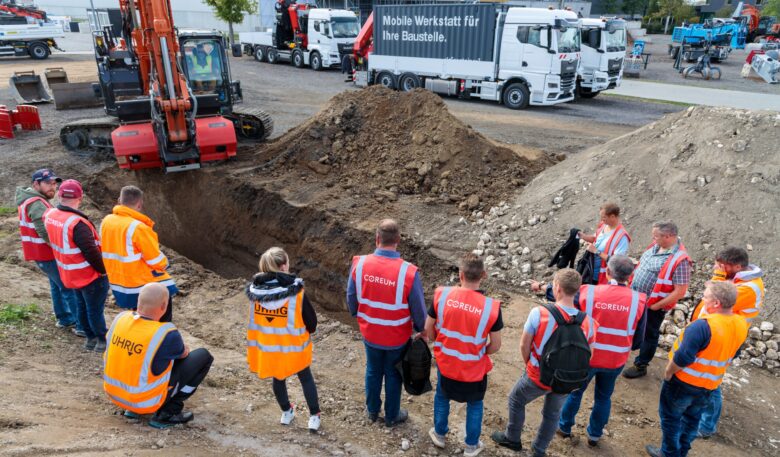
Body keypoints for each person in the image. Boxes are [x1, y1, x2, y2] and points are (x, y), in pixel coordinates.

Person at [491, 269, 597, 457]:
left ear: (557, 288)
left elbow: (524, 344)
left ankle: (512, 438)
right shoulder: (589, 322)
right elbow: (589, 354)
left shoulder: (539, 313)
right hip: (566, 379)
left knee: (516, 399)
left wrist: (529, 365)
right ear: (577, 290)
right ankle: (539, 450)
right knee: (553, 414)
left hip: (538, 375)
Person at [645, 281, 748, 457]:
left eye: (706, 296)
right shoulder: (740, 324)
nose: (702, 298)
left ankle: (669, 453)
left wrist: (668, 373)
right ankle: (682, 451)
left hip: (683, 382)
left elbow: (683, 358)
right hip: (709, 384)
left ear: (716, 303)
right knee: (691, 421)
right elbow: (734, 353)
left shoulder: (702, 326)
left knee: (671, 419)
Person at [556, 255, 646, 447]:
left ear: (607, 272)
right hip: (615, 360)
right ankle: (595, 435)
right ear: (631, 275)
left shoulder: (588, 292)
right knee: (603, 397)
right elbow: (639, 339)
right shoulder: (639, 300)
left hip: (586, 356)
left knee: (575, 393)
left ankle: (564, 427)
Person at [347, 219, 426, 426]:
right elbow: (418, 307)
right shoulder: (408, 272)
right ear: (398, 240)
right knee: (393, 373)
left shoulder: (360, 264)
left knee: (373, 370)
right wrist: (422, 330)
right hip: (396, 337)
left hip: (370, 333)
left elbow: (351, 296)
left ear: (377, 238)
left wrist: (358, 315)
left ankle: (372, 411)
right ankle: (392, 416)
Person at [103, 282, 213, 428]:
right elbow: (183, 354)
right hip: (144, 401)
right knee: (203, 356)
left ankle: (132, 411)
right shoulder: (166, 334)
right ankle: (168, 412)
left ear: (138, 301)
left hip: (115, 394)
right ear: (163, 307)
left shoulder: (120, 319)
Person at [425, 253, 503, 457]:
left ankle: (440, 435)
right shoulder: (491, 307)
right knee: (475, 404)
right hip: (473, 368)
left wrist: (439, 342)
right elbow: (495, 345)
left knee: (442, 396)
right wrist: (480, 351)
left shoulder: (441, 295)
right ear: (483, 275)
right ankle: (471, 446)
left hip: (446, 363)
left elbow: (429, 329)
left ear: (460, 274)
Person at [689, 246, 764, 439]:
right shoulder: (736, 279)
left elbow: (715, 300)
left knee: (711, 380)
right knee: (704, 377)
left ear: (738, 266)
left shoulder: (749, 288)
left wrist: (717, 275)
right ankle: (698, 415)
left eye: (724, 266)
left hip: (725, 338)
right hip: (716, 333)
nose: (721, 268)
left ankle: (706, 426)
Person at [246, 247, 321, 432]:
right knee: (305, 378)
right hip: (294, 348)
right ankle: (314, 416)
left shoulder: (255, 293)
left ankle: (287, 412)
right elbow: (311, 322)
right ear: (283, 266)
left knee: (278, 379)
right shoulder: (296, 292)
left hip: (270, 348)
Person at [43, 180, 109, 352]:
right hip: (88, 274)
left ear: (59, 194)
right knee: (94, 309)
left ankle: (90, 339)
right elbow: (91, 251)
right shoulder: (77, 223)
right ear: (80, 198)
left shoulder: (50, 215)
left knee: (81, 306)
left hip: (69, 273)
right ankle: (101, 340)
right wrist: (103, 271)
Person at [15, 169, 82, 335]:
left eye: (54, 183)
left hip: (41, 254)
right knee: (68, 287)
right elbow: (43, 231)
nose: (53, 187)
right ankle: (81, 326)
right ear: (36, 184)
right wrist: (62, 249)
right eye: (48, 183)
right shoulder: (36, 202)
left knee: (56, 285)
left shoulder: (33, 199)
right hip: (46, 253)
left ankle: (64, 318)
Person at [624, 221, 691, 379]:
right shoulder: (655, 247)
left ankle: (641, 365)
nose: (653, 239)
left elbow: (680, 291)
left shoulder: (680, 260)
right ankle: (624, 352)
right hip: (636, 299)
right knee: (630, 326)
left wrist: (656, 306)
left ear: (668, 236)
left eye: (656, 236)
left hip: (652, 306)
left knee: (649, 334)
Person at [100, 186, 178, 322]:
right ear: (139, 204)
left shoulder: (107, 221)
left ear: (119, 201)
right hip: (139, 285)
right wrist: (165, 263)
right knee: (166, 292)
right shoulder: (138, 227)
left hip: (120, 283)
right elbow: (155, 261)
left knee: (138, 320)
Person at [577, 202, 631, 285]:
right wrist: (582, 236)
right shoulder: (604, 225)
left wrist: (596, 251)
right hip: (590, 272)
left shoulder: (622, 237)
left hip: (603, 277)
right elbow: (595, 238)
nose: (601, 220)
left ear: (612, 216)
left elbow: (617, 262)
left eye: (604, 218)